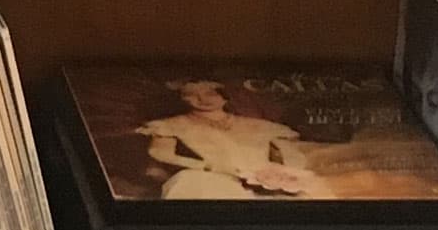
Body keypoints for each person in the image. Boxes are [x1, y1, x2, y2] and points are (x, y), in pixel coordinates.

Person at [134, 79, 320, 200]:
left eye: (211, 93)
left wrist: (284, 173)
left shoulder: (260, 125)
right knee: (189, 182)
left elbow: (290, 153)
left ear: (225, 96)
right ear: (183, 98)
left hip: (265, 182)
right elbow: (158, 152)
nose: (202, 99)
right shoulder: (171, 124)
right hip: (212, 178)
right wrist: (208, 167)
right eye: (191, 95)